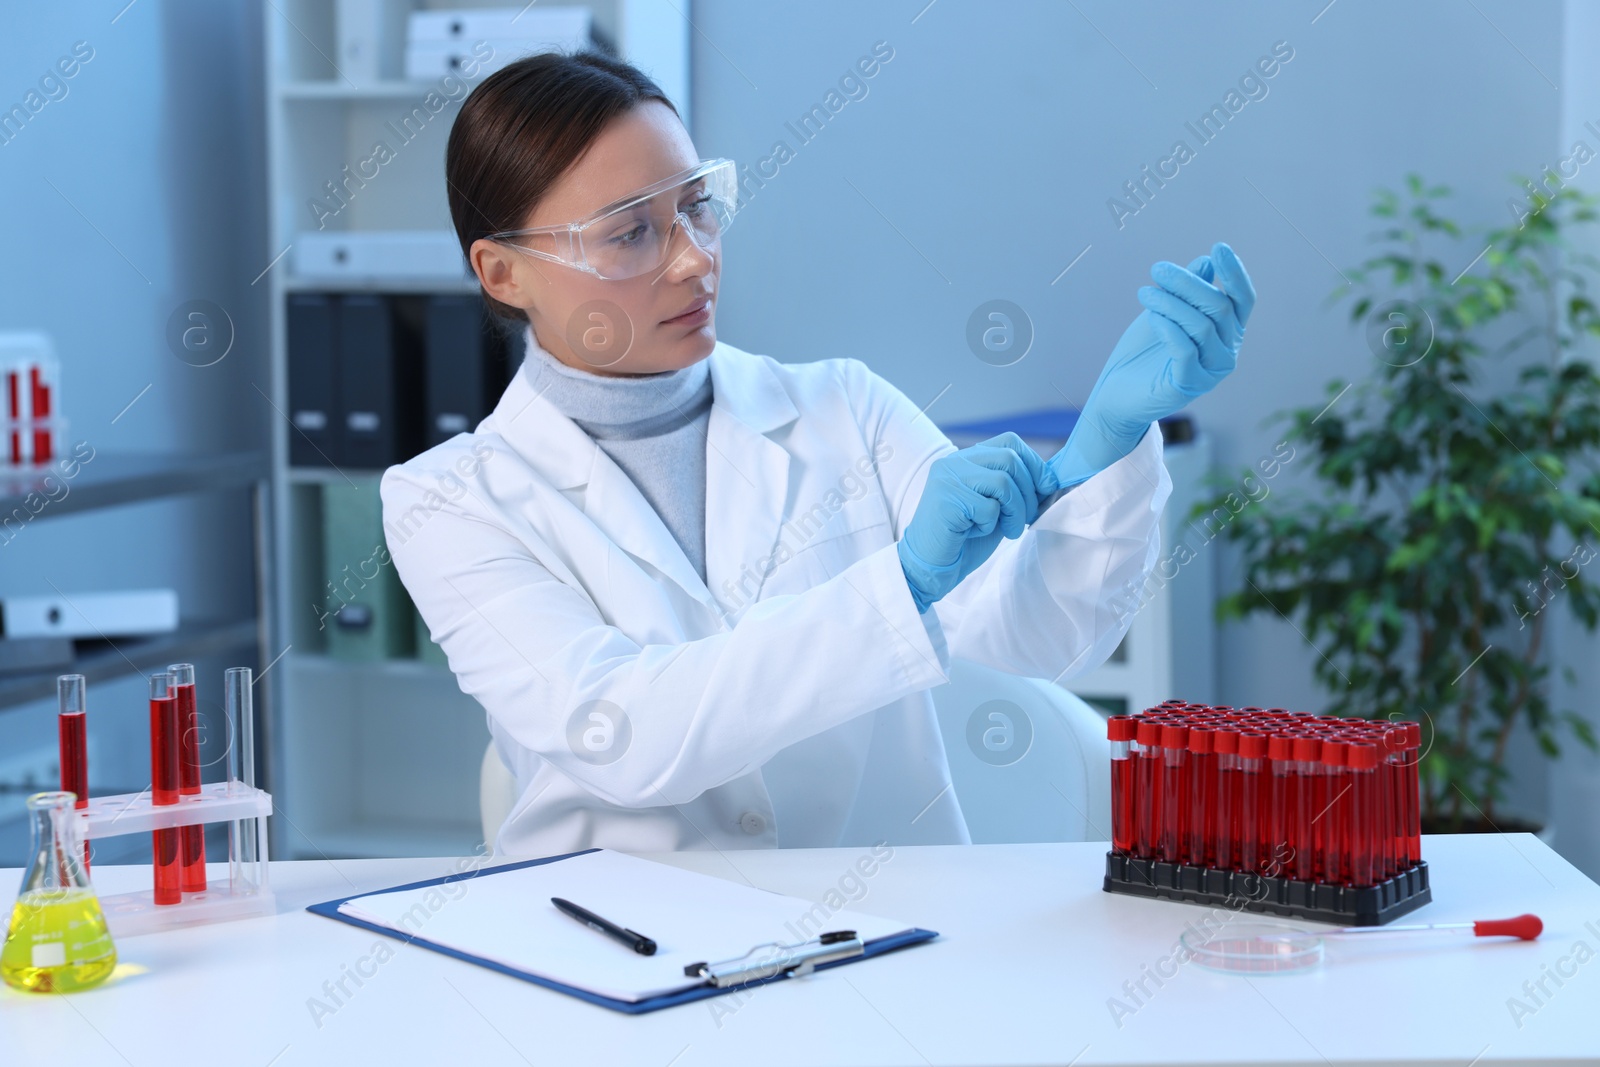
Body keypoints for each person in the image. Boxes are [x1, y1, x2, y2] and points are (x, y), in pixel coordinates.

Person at [380, 50, 1256, 857]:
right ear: (502, 273)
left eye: (694, 204)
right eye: (629, 233)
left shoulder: (844, 407)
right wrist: (898, 584)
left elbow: (1043, 633)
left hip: (888, 943)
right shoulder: (448, 501)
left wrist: (1109, 442)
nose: (694, 259)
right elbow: (625, 733)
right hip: (622, 953)